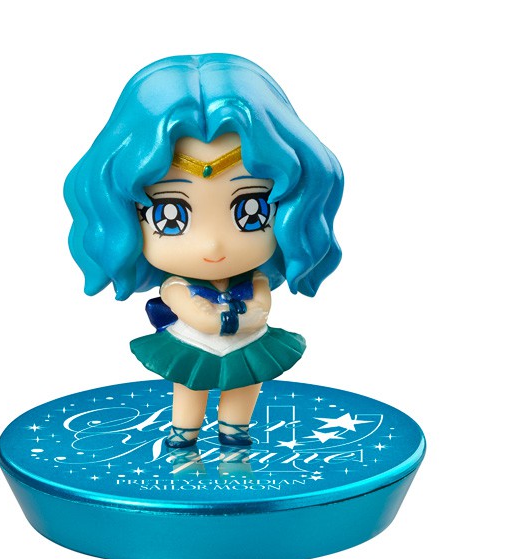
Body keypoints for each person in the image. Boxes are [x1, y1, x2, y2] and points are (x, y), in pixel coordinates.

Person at [64, 54, 343, 448]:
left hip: (246, 343)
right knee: (190, 386)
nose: (213, 244)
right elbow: (194, 312)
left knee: (246, 385)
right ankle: (184, 433)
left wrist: (245, 315)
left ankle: (235, 430)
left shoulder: (254, 278)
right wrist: (223, 317)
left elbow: (261, 304)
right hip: (196, 345)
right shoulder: (176, 285)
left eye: (250, 210)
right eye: (170, 215)